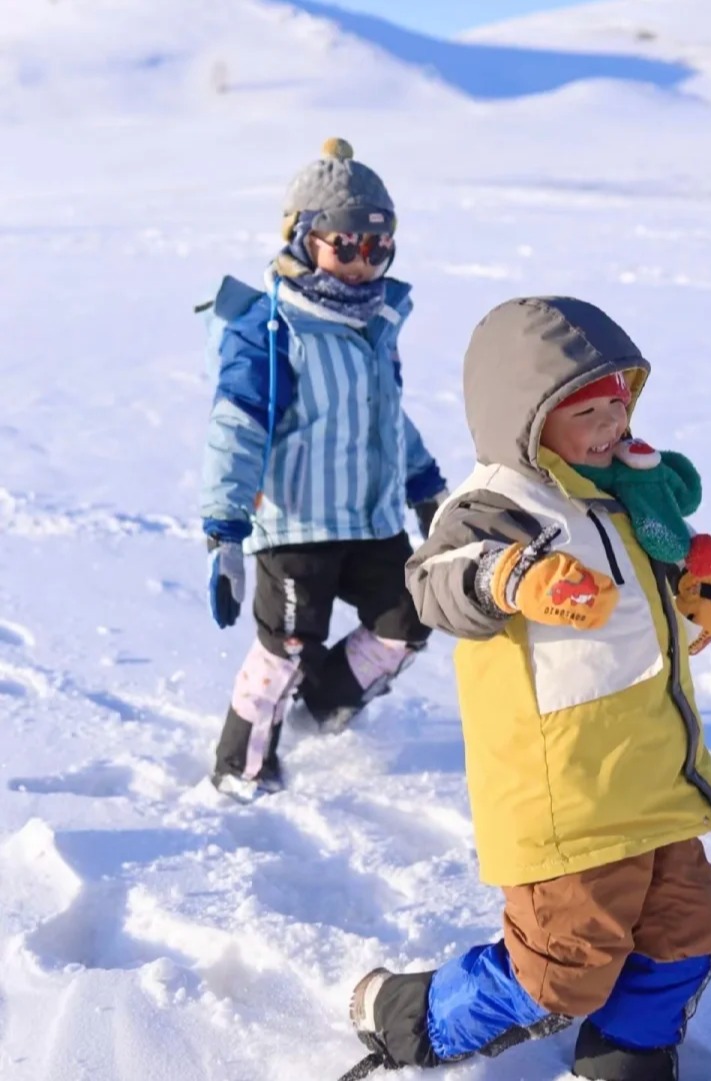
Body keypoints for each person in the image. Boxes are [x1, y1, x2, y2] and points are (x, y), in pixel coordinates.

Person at [343, 296, 711, 1080]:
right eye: (587, 410)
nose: (612, 423)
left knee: (687, 929)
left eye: (619, 401)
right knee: (560, 966)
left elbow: (650, 579)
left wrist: (694, 591)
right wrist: (512, 574)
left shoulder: (622, 493)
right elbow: (434, 582)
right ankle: (407, 1016)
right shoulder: (500, 504)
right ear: (525, 418)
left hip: (657, 774)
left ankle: (628, 1047)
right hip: (570, 795)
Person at [199, 138, 446, 801]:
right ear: (304, 237)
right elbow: (237, 427)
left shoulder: (377, 322)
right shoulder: (270, 328)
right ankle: (241, 766)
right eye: (346, 245)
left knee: (410, 614)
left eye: (378, 247)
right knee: (288, 643)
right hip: (295, 524)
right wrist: (224, 531)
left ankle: (325, 709)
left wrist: (426, 486)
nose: (364, 264)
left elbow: (385, 416)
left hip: (370, 519)